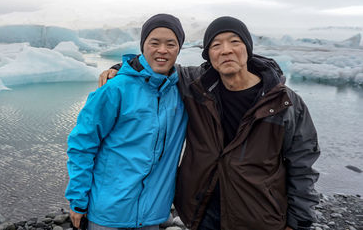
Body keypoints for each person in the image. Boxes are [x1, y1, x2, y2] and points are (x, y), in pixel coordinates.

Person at [99, 16, 320, 230]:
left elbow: (302, 165)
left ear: (248, 48)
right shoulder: (195, 86)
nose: (226, 50)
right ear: (208, 55)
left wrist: (298, 222)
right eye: (216, 45)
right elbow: (158, 67)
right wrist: (121, 69)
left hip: (258, 215)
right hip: (202, 212)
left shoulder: (284, 103)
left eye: (235, 42)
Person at [65, 14, 188, 230]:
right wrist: (78, 199)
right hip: (108, 213)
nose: (162, 50)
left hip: (152, 214)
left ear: (179, 48)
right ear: (143, 46)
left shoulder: (183, 91)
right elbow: (82, 144)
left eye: (171, 44)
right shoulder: (115, 88)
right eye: (154, 43)